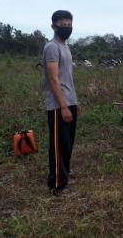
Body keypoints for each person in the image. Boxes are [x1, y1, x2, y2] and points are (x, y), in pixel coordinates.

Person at [42, 10, 80, 196]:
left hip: (69, 101)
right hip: (58, 104)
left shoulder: (65, 46)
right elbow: (53, 79)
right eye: (63, 25)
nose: (67, 28)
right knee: (58, 146)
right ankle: (56, 185)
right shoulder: (52, 47)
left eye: (69, 24)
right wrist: (64, 105)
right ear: (54, 26)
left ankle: (63, 177)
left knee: (67, 143)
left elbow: (68, 78)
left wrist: (73, 102)